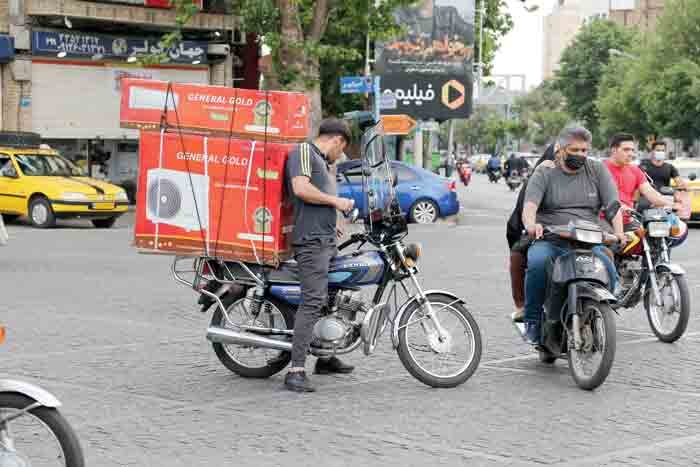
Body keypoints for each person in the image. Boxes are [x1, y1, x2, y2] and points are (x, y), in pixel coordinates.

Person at [521, 126, 625, 344]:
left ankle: (597, 312)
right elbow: (529, 207)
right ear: (560, 149)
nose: (580, 155)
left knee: (607, 267)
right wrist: (531, 224)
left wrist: (619, 232)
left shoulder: (596, 169)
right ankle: (532, 321)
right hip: (551, 238)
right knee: (538, 263)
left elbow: (613, 205)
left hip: (587, 240)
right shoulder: (544, 171)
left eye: (584, 150)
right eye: (575, 150)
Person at [283, 118, 356, 393]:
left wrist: (335, 217)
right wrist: (335, 202)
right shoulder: (303, 151)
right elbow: (301, 188)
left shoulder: (323, 162)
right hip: (310, 243)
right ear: (337, 140)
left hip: (324, 241)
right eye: (342, 149)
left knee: (331, 296)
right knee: (313, 300)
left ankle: (324, 357)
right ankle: (296, 370)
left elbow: (321, 194)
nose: (341, 155)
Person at [506, 144, 556, 320]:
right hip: (543, 234)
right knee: (518, 255)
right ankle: (522, 306)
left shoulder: (585, 178)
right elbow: (522, 214)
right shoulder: (535, 180)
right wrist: (531, 227)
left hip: (576, 235)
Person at [603, 134, 681, 216]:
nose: (631, 154)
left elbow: (651, 193)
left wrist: (672, 204)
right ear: (614, 150)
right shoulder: (600, 168)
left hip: (629, 219)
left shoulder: (635, 170)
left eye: (632, 150)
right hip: (604, 220)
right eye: (626, 150)